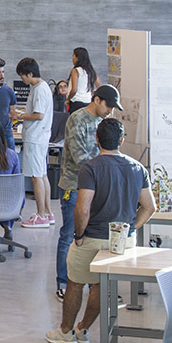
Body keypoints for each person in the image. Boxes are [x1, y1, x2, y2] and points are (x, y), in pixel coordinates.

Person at [46, 118, 155, 343]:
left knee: (75, 282)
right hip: (122, 243)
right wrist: (130, 229)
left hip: (93, 237)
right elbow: (149, 207)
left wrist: (78, 235)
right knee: (100, 285)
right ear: (122, 141)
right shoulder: (138, 168)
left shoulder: (91, 167)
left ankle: (66, 332)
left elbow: (83, 208)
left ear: (97, 139)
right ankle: (83, 330)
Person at [55, 84, 120, 302]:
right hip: (75, 186)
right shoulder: (77, 119)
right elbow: (79, 156)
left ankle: (97, 286)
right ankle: (63, 283)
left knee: (94, 238)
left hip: (97, 186)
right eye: (108, 106)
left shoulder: (103, 122)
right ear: (97, 100)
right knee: (70, 235)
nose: (110, 111)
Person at [12, 57, 54, 228]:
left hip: (36, 138)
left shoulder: (39, 90)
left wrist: (19, 116)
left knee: (37, 177)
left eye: (23, 76)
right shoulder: (39, 88)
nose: (22, 80)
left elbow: (39, 115)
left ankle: (41, 215)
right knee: (42, 175)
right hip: (40, 137)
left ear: (30, 74)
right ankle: (48, 213)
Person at [66, 47, 102, 112]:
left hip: (76, 102)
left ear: (78, 58)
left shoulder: (75, 71)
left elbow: (74, 90)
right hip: (88, 102)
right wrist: (92, 94)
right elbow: (100, 87)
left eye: (73, 56)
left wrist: (68, 99)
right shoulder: (91, 71)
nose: (72, 59)